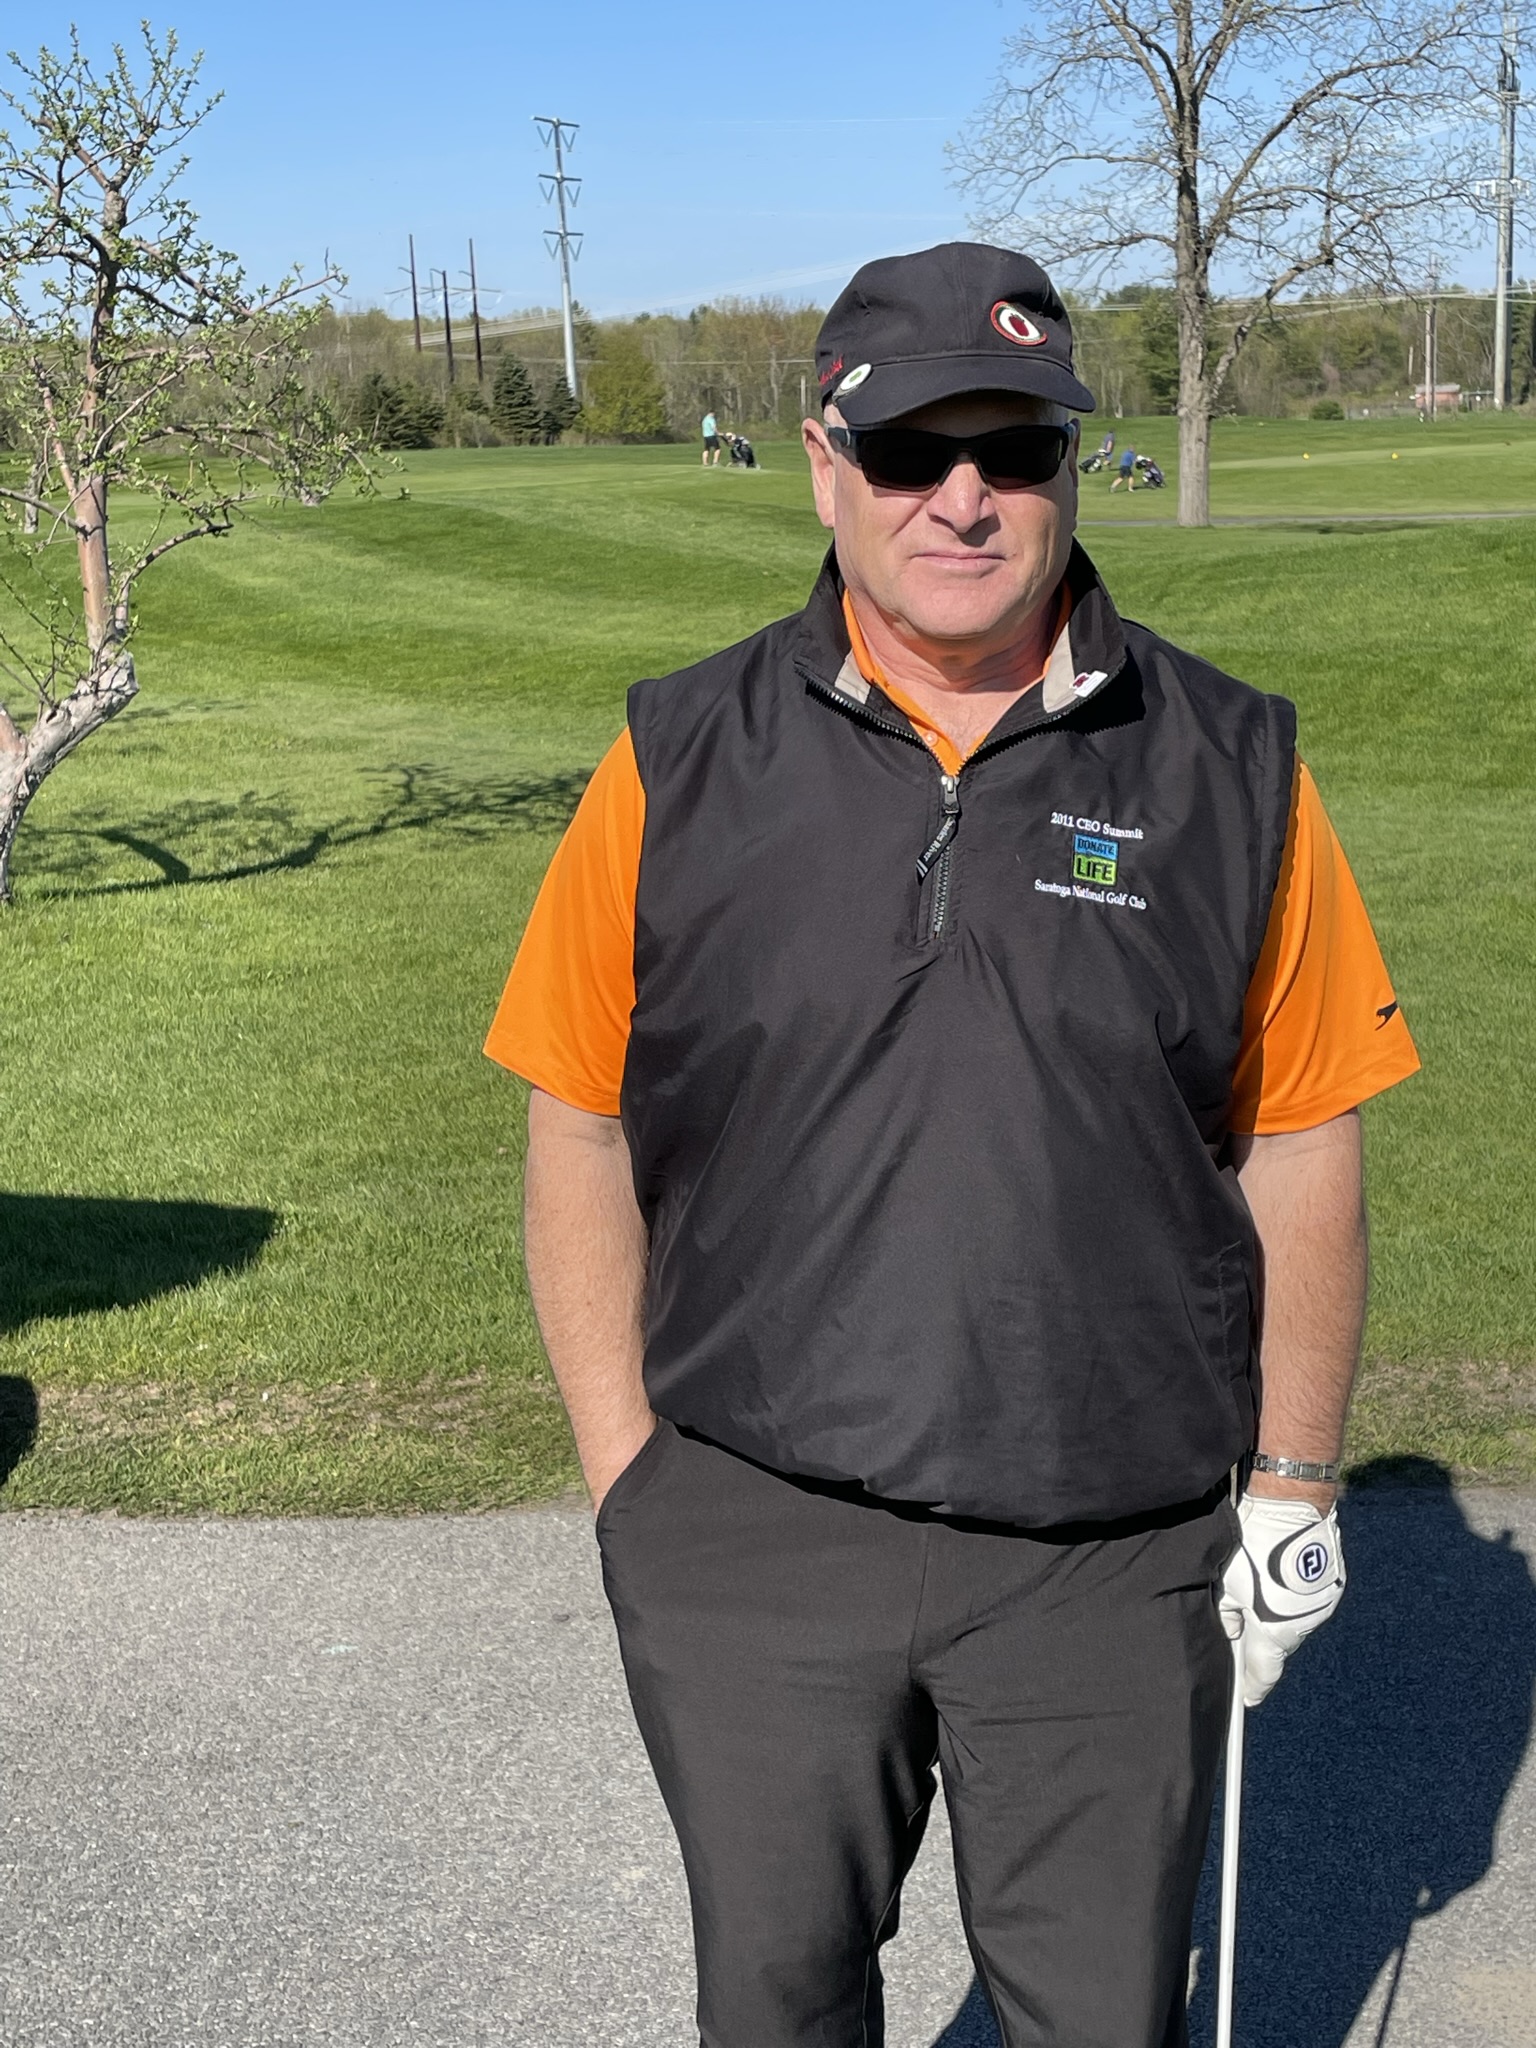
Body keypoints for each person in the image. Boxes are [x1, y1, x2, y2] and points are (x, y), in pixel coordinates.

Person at [486, 241, 1420, 2048]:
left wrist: (1297, 1483)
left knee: (1099, 2017)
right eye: (913, 450)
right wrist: (631, 1486)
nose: (966, 498)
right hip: (753, 1522)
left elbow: (1305, 1134)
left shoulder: (1231, 767)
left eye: (1017, 447)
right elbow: (577, 1118)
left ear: (1074, 462)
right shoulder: (678, 755)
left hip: (1111, 1543)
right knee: (776, 2004)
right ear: (827, 466)